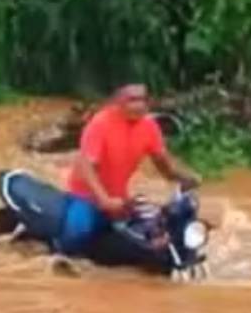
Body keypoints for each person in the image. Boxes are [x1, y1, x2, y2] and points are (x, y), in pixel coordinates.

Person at [58, 84, 199, 255]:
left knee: (151, 229)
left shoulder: (149, 127)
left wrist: (186, 179)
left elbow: (164, 166)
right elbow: (87, 167)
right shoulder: (100, 124)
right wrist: (104, 200)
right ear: (117, 101)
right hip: (86, 194)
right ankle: (58, 255)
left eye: (142, 100)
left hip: (119, 197)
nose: (139, 105)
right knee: (78, 232)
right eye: (132, 100)